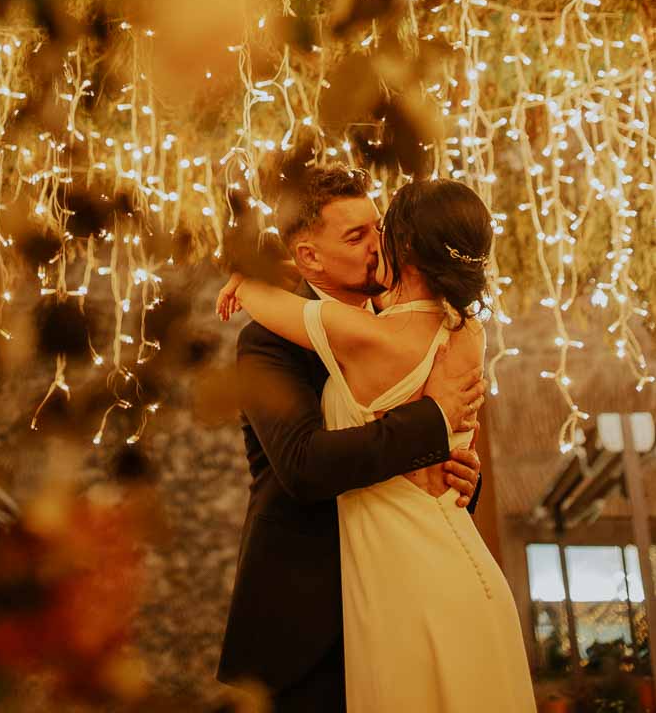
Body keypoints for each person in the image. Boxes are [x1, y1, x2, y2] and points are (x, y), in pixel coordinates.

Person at [217, 173, 535, 713]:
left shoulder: (400, 323)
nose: (377, 245)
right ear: (309, 258)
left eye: (380, 228)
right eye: (356, 236)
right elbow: (303, 466)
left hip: (408, 593)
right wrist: (433, 427)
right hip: (310, 624)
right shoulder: (268, 341)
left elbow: (426, 465)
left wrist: (460, 472)